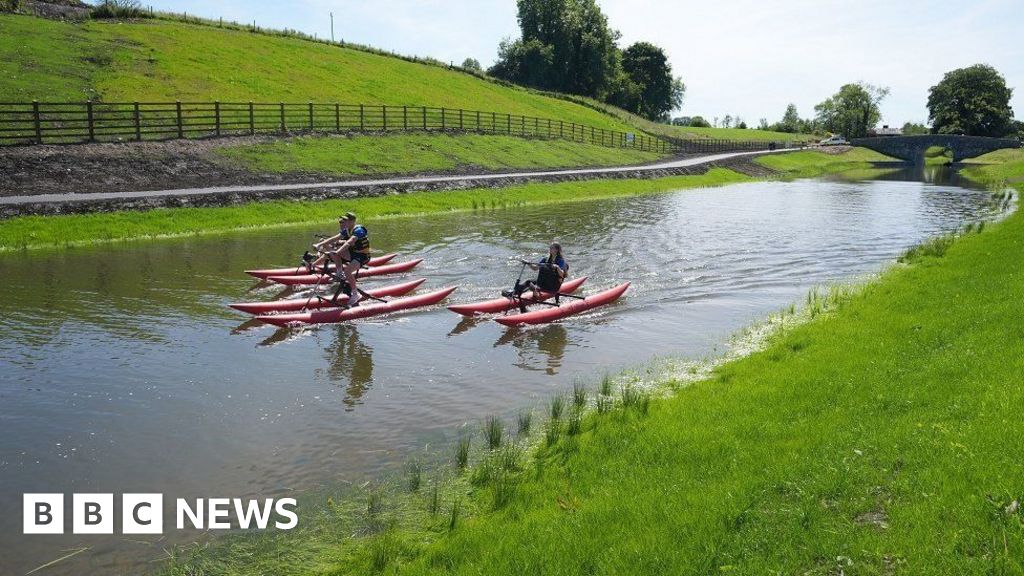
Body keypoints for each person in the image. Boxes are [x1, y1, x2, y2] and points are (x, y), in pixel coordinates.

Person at [315, 212, 372, 307]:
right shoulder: (347, 230)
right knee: (334, 251)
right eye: (344, 220)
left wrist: (338, 251)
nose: (344, 222)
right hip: (353, 254)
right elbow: (334, 238)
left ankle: (355, 294)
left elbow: (349, 242)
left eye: (346, 221)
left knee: (348, 271)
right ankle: (339, 272)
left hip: (362, 256)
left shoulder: (359, 230)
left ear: (352, 221)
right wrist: (319, 245)